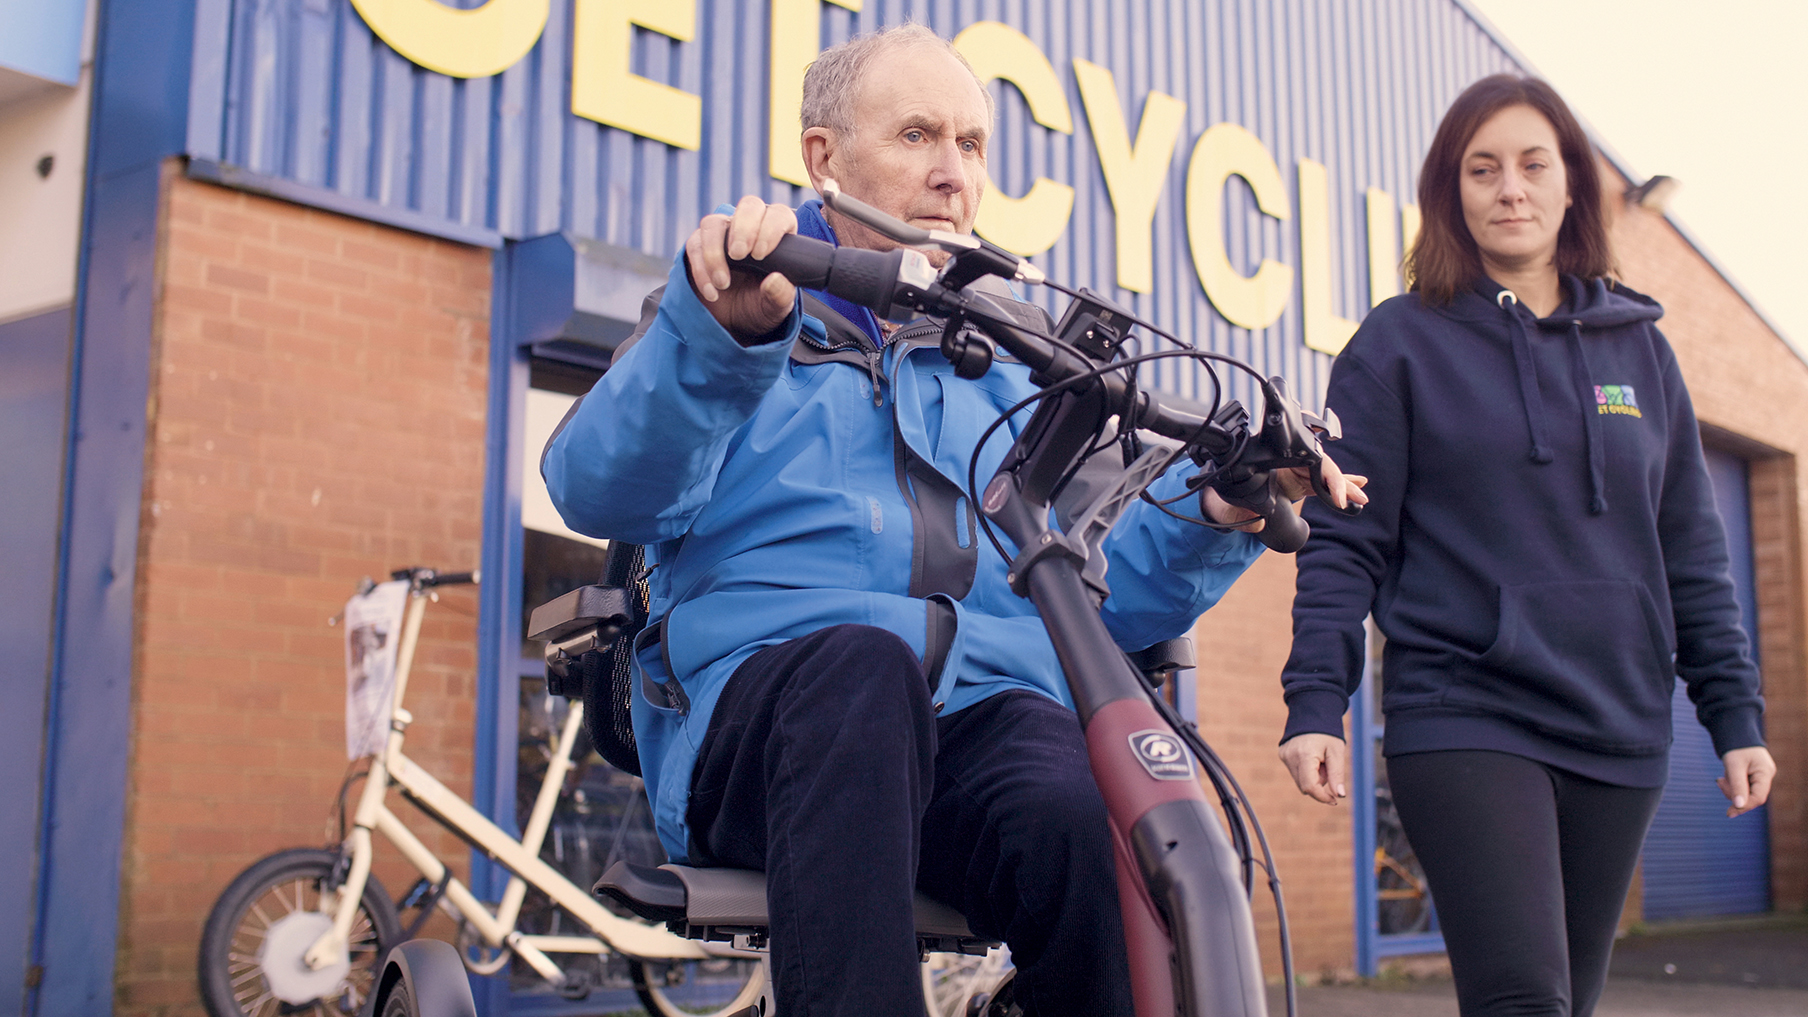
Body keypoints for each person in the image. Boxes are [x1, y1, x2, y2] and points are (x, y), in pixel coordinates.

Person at [543, 23, 1363, 1017]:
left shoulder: (1009, 368)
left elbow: (1088, 597)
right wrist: (719, 342)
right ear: (823, 155)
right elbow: (599, 490)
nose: (951, 173)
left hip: (965, 732)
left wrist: (1219, 505)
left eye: (970, 146)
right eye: (917, 137)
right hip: (767, 735)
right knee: (861, 667)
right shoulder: (739, 310)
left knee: (1082, 797)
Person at [1276, 74, 1776, 1017]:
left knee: (1565, 1003)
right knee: (1522, 1000)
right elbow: (1345, 538)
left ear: (1572, 184)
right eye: (1483, 168)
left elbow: (1691, 548)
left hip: (1619, 725)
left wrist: (1733, 714)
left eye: (1533, 164)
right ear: (1451, 192)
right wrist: (1315, 702)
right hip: (1467, 708)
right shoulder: (1399, 344)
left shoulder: (1640, 350)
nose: (1510, 188)